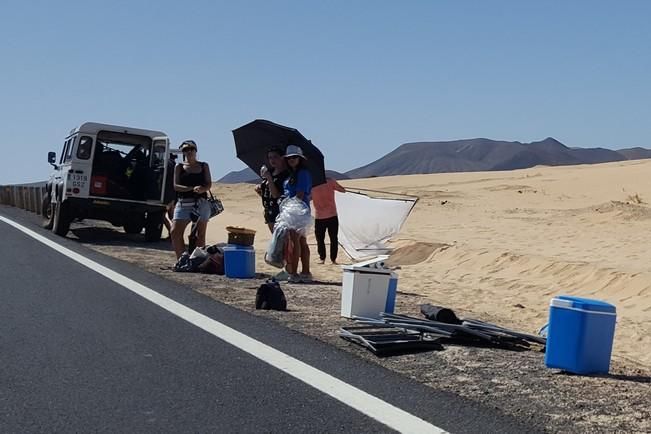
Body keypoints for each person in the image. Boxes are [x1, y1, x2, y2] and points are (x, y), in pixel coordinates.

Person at [170, 140, 212, 259]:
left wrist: (202, 189)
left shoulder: (204, 166)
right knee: (175, 232)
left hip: (201, 203)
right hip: (184, 202)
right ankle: (181, 259)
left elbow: (209, 184)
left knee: (201, 234)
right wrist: (191, 188)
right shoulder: (179, 166)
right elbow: (176, 186)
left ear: (196, 150)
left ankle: (197, 260)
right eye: (185, 150)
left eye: (191, 149)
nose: (189, 151)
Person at [283, 145, 313, 283]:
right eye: (289, 158)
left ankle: (295, 273)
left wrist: (289, 206)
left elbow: (300, 194)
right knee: (301, 241)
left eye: (294, 157)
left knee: (295, 241)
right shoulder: (292, 174)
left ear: (300, 158)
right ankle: (305, 272)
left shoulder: (303, 173)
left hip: (297, 210)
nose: (291, 160)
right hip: (295, 209)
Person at [311, 177, 346, 264]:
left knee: (321, 239)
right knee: (332, 239)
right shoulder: (330, 181)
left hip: (323, 216)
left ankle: (323, 258)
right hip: (329, 216)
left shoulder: (312, 184)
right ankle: (332, 259)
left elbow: (308, 197)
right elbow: (343, 190)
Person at [255, 147, 289, 232]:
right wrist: (260, 191)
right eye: (270, 157)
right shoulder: (269, 172)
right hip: (269, 211)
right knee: (276, 239)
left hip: (279, 212)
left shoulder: (286, 175)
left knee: (282, 240)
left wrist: (269, 178)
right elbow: (268, 194)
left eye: (275, 157)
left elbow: (276, 195)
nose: (272, 160)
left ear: (282, 158)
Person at [162, 153, 178, 239]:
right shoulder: (175, 166)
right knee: (171, 216)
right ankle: (173, 234)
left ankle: (172, 233)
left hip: (166, 195)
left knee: (162, 216)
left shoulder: (167, 165)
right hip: (172, 195)